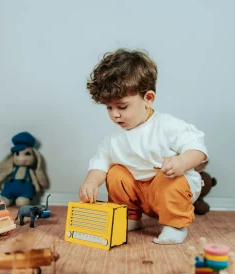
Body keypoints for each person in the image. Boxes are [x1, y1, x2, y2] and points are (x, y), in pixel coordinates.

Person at [79, 48, 208, 244]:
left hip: (168, 187)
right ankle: (130, 216)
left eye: (122, 107)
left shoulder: (166, 125)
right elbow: (100, 163)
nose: (115, 114)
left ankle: (175, 224)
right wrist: (90, 182)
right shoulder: (113, 138)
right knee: (115, 174)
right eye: (109, 108)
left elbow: (197, 148)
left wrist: (182, 161)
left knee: (170, 181)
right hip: (139, 193)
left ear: (148, 99)